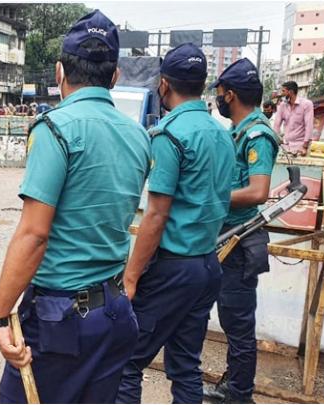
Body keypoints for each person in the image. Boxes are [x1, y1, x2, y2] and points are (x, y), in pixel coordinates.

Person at [0, 10, 151, 403]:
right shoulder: (140, 136)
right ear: (114, 77)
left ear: (59, 72)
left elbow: (34, 234)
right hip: (114, 312)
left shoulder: (56, 128)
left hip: (61, 319)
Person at [116, 43, 235, 404]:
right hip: (207, 266)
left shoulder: (170, 135)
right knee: (185, 367)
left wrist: (131, 277)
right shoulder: (222, 134)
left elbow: (156, 214)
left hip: (172, 269)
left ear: (164, 84)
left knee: (127, 361)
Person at [203, 59, 280, 404]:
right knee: (231, 318)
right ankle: (232, 386)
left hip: (240, 237)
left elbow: (258, 191)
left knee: (238, 322)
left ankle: (239, 394)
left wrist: (209, 197)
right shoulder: (239, 131)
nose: (219, 100)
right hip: (227, 236)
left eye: (220, 94)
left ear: (230, 95)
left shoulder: (257, 134)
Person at [273, 81, 315, 155]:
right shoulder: (282, 105)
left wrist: (305, 146)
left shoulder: (307, 104)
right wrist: (277, 140)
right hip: (285, 146)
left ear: (291, 92)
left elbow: (309, 126)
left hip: (301, 146)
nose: (282, 94)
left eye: (283, 91)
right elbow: (276, 125)